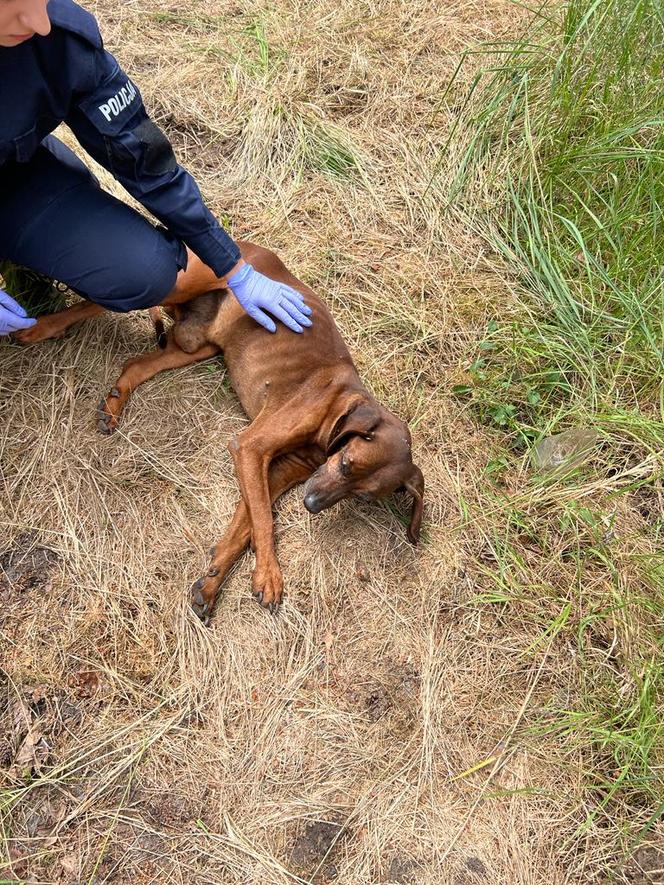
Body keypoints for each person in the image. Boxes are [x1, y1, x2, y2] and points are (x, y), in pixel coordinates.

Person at [0, 0, 312, 338]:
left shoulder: (57, 39)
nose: (38, 23)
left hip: (14, 181)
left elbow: (140, 154)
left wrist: (233, 266)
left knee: (142, 269)